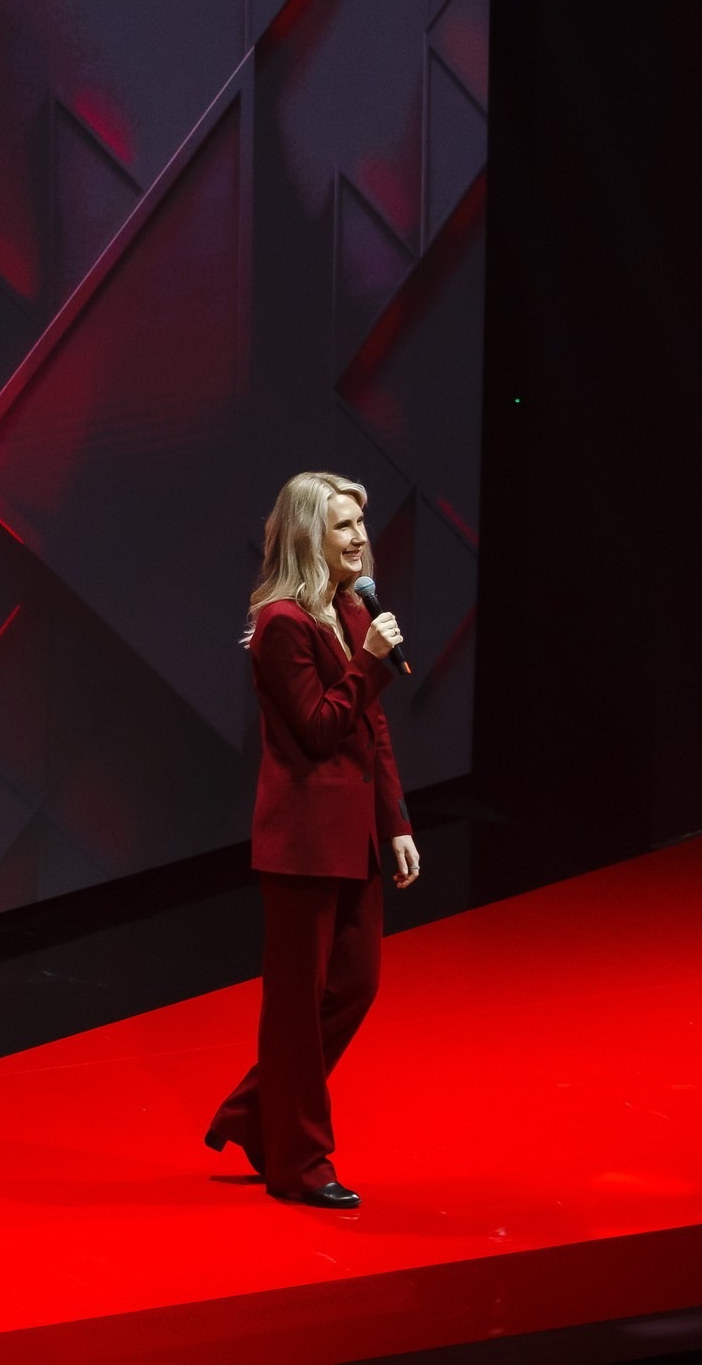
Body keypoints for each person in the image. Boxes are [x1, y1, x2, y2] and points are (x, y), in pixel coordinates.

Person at [203, 471, 419, 1209]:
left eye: (360, 523)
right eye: (342, 526)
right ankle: (299, 1163)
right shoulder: (281, 625)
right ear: (308, 535)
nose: (359, 537)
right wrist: (370, 663)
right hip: (303, 840)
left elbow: (372, 728)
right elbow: (321, 727)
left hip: (356, 833)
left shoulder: (352, 608)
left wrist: (396, 821)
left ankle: (254, 1114)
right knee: (297, 1004)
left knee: (356, 983)